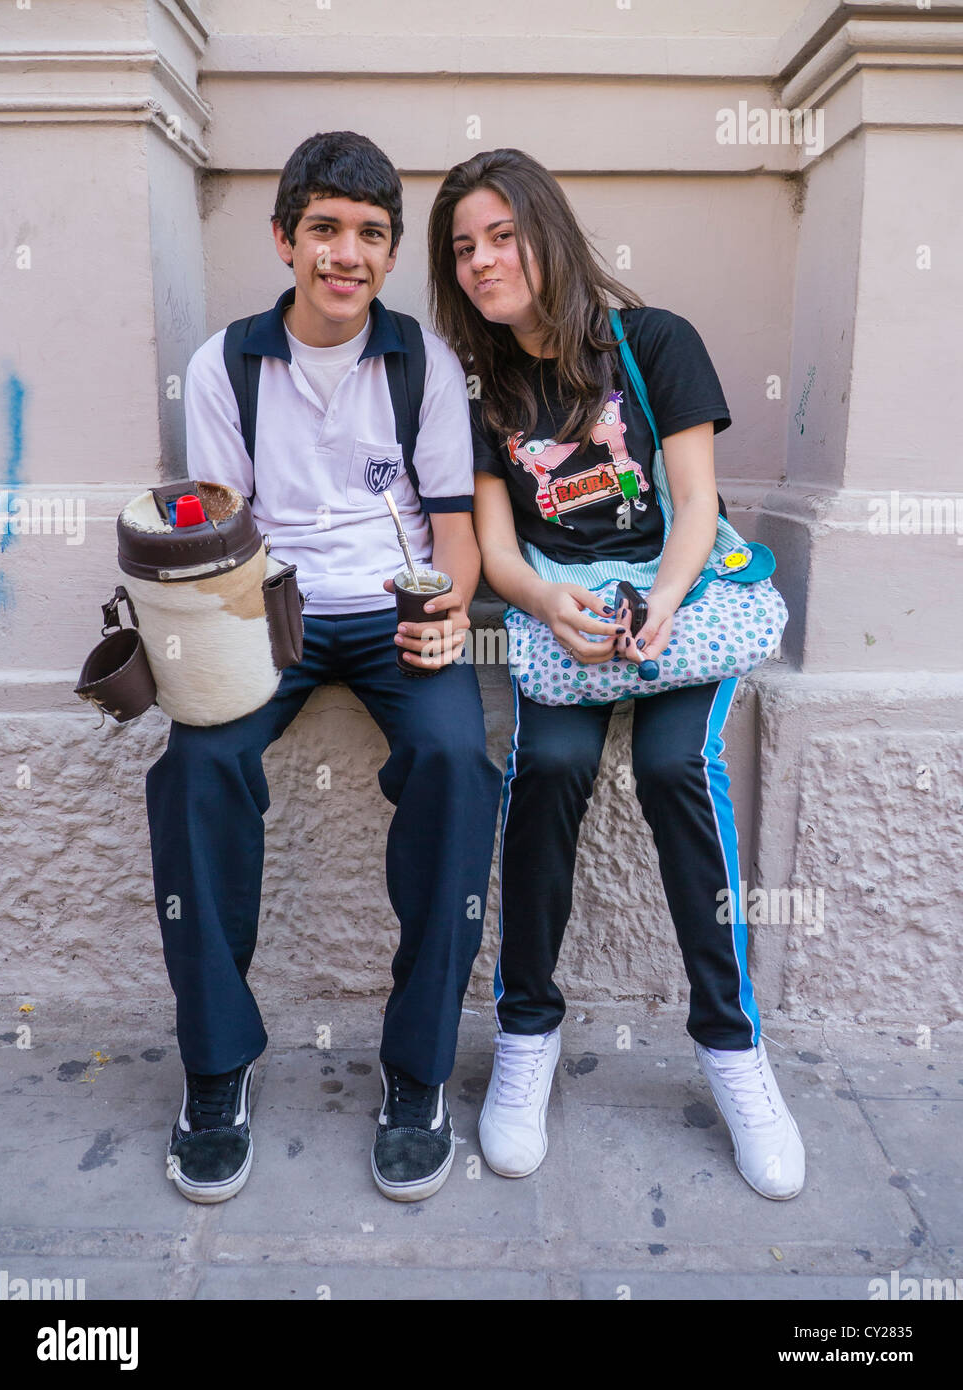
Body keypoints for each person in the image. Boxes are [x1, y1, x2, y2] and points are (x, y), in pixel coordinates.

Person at [427, 147, 805, 1200]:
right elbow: (498, 552)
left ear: (546, 232)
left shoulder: (653, 342)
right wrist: (551, 606)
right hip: (563, 613)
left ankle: (734, 1053)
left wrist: (664, 607)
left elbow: (694, 505)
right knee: (545, 772)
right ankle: (525, 1036)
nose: (481, 261)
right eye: (462, 248)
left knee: (677, 772)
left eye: (501, 235)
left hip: (676, 600)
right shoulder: (480, 391)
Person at [145, 131, 501, 1205]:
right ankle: (215, 1067)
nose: (346, 255)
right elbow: (220, 527)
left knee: (455, 759)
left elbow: (451, 520)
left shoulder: (424, 361)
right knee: (195, 765)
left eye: (370, 236)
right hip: (270, 608)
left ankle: (416, 1069)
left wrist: (446, 609)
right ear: (286, 239)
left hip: (399, 605)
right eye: (325, 231)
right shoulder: (226, 363)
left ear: (390, 255)